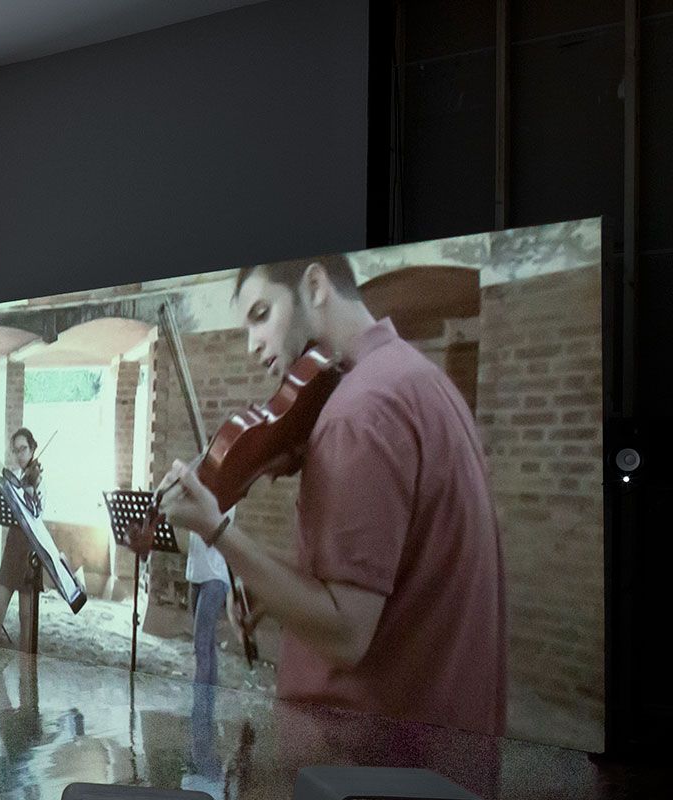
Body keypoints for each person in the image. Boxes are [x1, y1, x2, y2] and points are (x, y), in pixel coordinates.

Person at [155, 253, 506, 737]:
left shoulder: (358, 412)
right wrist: (277, 588)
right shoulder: (418, 377)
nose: (253, 345)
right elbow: (395, 575)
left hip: (368, 757)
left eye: (261, 315)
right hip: (437, 737)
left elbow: (346, 633)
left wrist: (217, 530)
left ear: (316, 286)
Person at [0, 427, 43, 640]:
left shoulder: (40, 478)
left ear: (32, 449)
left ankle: (25, 660)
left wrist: (33, 493)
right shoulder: (14, 477)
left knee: (26, 617)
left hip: (29, 550)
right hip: (13, 545)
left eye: (23, 449)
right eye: (16, 450)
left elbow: (38, 514)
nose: (20, 455)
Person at [186, 531, 230, 686]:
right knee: (207, 643)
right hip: (195, 573)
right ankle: (209, 697)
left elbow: (210, 535)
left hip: (214, 576)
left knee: (201, 645)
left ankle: (199, 700)